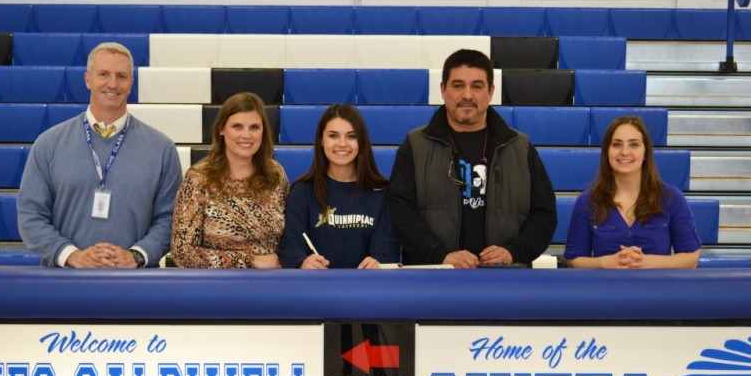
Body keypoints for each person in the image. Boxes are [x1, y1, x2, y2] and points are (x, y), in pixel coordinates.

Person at [17, 42, 183, 268]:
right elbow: (30, 215)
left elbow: (171, 219)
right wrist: (74, 256)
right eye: (104, 74)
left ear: (131, 83)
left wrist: (135, 256)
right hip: (63, 284)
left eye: (122, 76)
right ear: (88, 79)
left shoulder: (162, 148)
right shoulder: (48, 143)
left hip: (137, 286)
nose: (112, 84)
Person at [388, 48, 557, 268]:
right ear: (443, 89)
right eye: (458, 86)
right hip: (434, 279)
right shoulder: (414, 145)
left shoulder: (521, 147)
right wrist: (441, 255)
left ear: (491, 91)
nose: (467, 95)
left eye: (477, 86)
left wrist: (513, 251)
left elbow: (544, 214)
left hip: (504, 280)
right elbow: (401, 212)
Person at [564, 116, 701, 269]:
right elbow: (573, 259)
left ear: (645, 153)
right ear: (607, 152)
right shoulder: (587, 202)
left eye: (634, 145)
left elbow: (691, 258)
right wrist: (605, 263)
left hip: (657, 290)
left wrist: (647, 262)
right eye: (617, 144)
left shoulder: (671, 198)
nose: (624, 152)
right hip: (606, 291)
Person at [171, 92, 288, 268]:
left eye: (254, 127)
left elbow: (290, 237)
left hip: (272, 284)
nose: (246, 135)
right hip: (218, 287)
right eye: (237, 126)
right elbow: (182, 252)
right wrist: (250, 261)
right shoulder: (198, 178)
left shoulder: (275, 173)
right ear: (221, 129)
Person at [278, 104, 399, 269]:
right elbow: (291, 244)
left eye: (351, 136)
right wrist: (302, 261)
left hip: (367, 289)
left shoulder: (382, 192)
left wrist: (378, 261)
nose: (342, 143)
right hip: (316, 289)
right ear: (321, 140)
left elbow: (387, 246)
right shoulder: (303, 191)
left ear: (361, 141)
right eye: (333, 136)